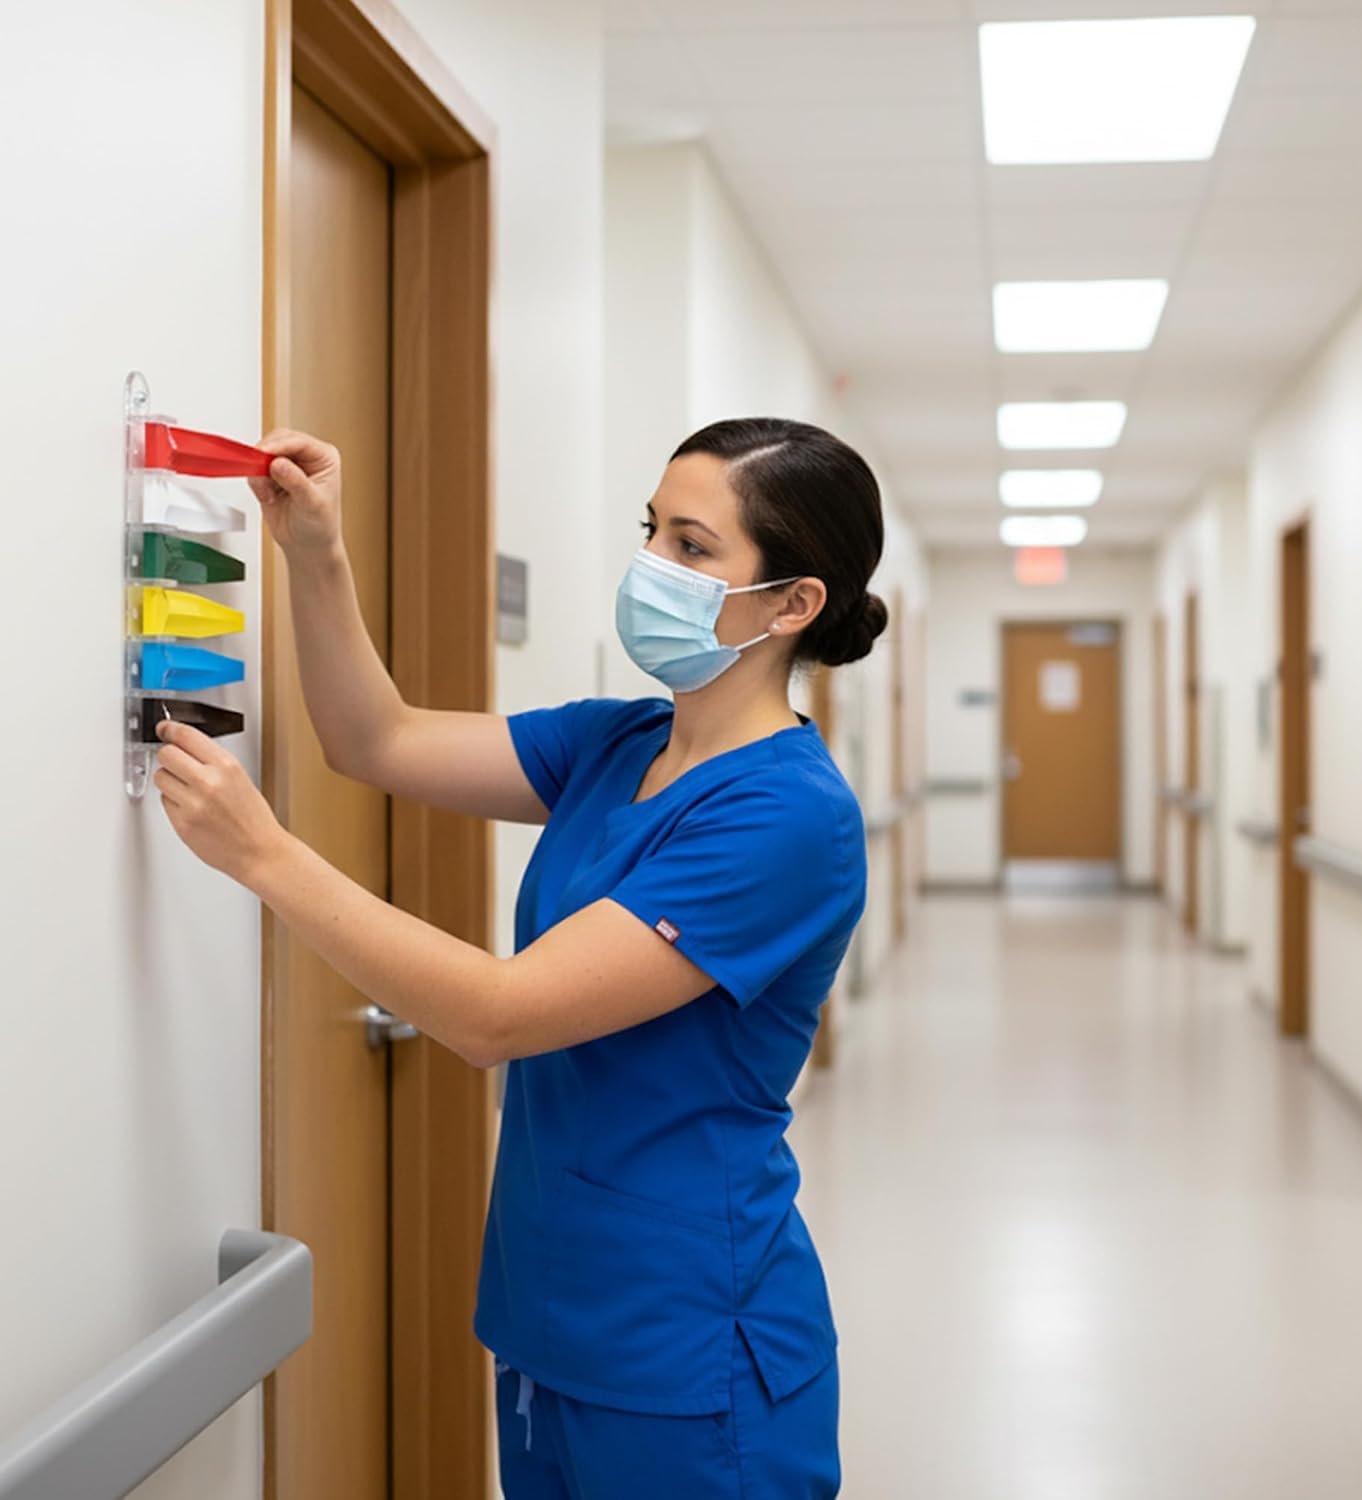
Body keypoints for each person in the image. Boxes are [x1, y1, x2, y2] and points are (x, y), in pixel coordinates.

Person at [152, 416, 887, 1498]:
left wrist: (265, 858)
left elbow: (500, 1014)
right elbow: (377, 740)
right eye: (651, 532)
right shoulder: (619, 741)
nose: (652, 566)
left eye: (692, 547)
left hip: (685, 1343)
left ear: (793, 603)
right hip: (547, 1309)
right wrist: (317, 552)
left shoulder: (788, 818)